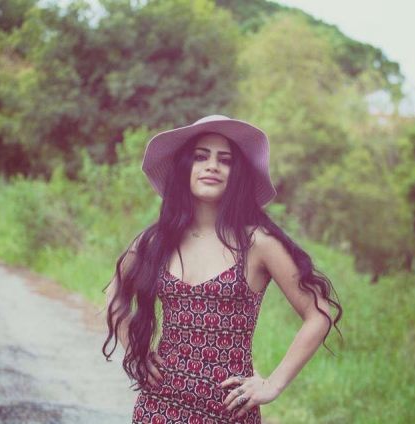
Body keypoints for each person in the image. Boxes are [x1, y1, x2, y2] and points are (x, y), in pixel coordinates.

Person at [102, 115, 343, 423]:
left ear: (236, 174)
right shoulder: (157, 240)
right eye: (201, 156)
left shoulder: (257, 243)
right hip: (157, 407)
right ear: (185, 168)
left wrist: (273, 385)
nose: (212, 166)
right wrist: (135, 355)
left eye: (225, 160)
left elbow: (319, 313)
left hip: (228, 411)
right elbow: (115, 294)